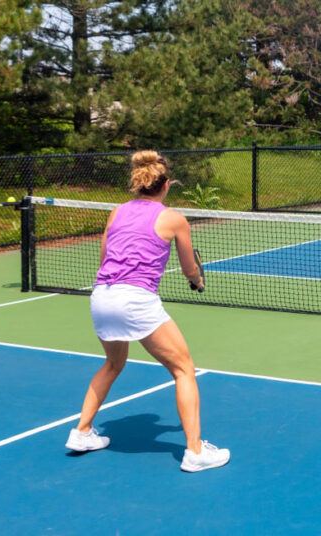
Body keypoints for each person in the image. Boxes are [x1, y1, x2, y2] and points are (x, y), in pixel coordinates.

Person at [65, 150, 230, 473]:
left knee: (113, 363)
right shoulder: (173, 218)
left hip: (102, 295)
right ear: (166, 185)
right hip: (135, 300)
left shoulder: (116, 212)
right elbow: (187, 268)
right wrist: (197, 279)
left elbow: (104, 259)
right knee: (184, 370)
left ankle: (82, 431)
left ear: (139, 184)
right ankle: (195, 451)